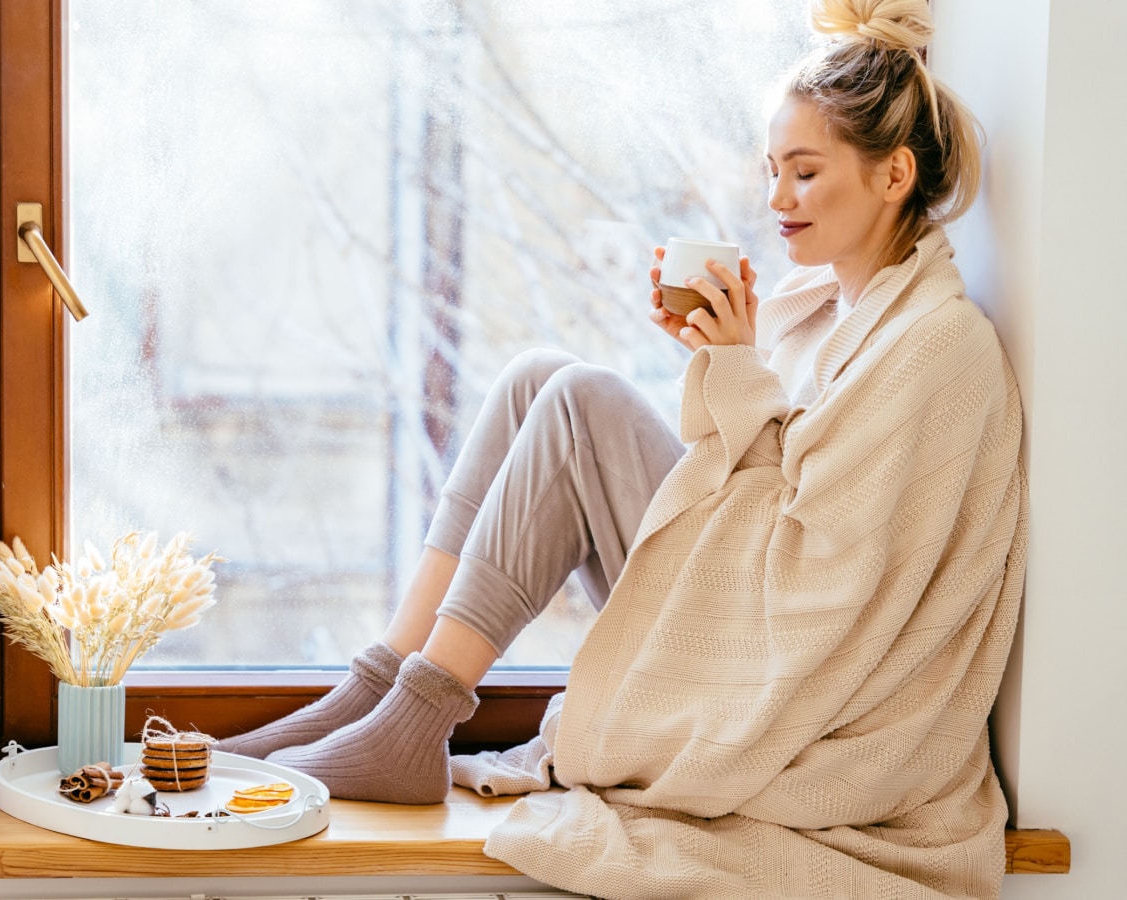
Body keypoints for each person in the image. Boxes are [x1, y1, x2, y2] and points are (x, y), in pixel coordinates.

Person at [220, 0, 1024, 894]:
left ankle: (413, 719)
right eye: (771, 171)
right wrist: (722, 362)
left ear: (893, 175)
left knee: (577, 399)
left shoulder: (936, 346)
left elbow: (820, 580)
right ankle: (378, 692)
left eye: (804, 172)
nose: (776, 199)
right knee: (537, 376)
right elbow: (753, 474)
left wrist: (735, 369)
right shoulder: (819, 307)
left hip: (786, 671)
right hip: (742, 603)